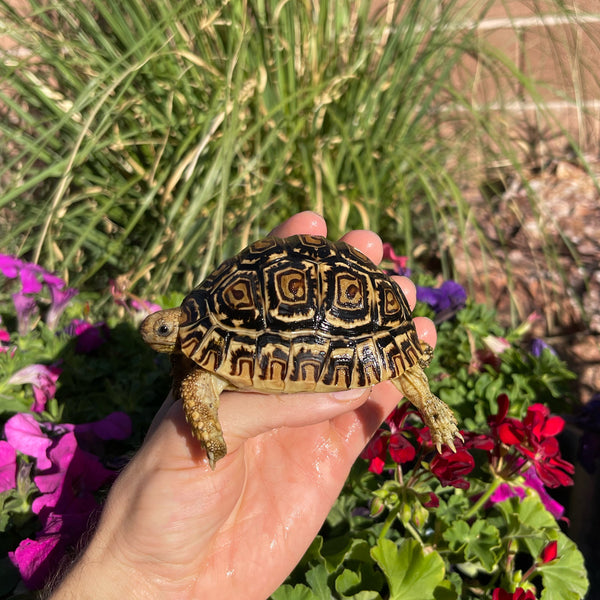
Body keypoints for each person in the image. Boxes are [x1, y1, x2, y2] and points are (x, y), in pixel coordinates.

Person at [49, 211, 438, 600]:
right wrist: (142, 573)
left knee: (202, 379)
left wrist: (137, 574)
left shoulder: (205, 348)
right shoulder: (207, 327)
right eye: (160, 329)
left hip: (335, 323)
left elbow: (200, 377)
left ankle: (432, 404)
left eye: (165, 329)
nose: (155, 334)